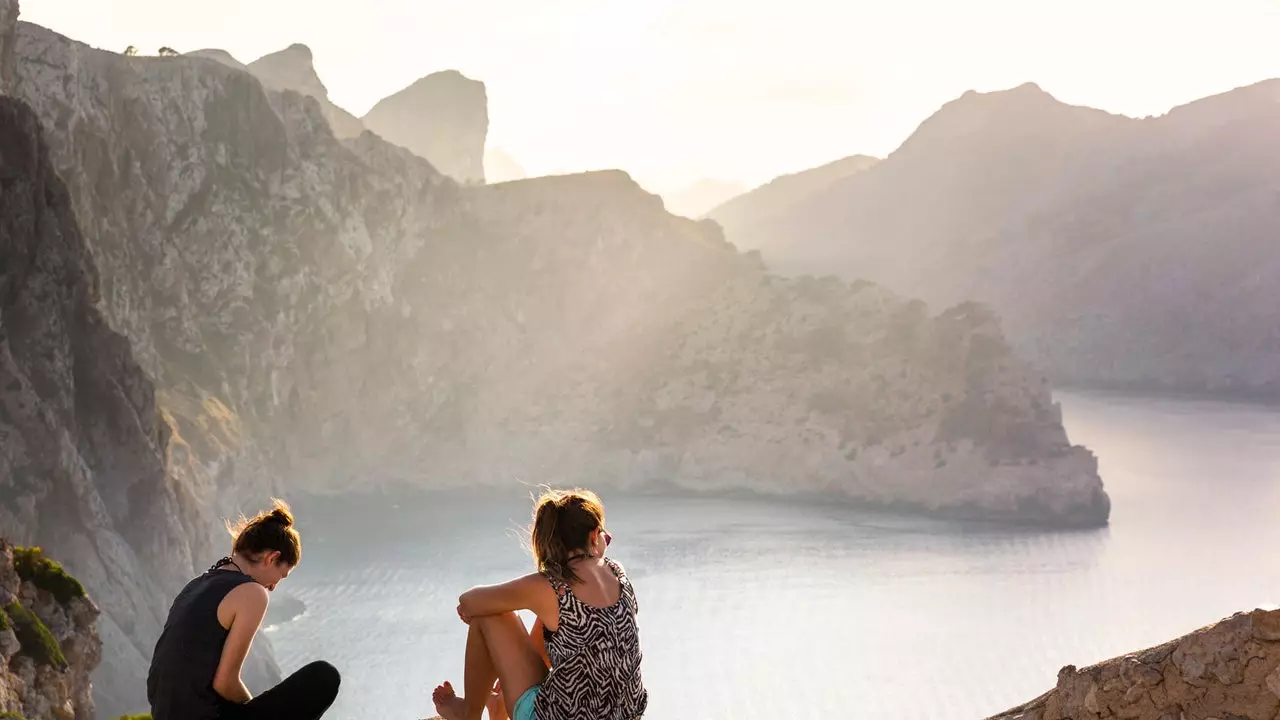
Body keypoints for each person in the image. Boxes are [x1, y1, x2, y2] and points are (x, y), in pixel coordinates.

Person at [432, 488, 647, 720]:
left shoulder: (551, 586)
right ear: (595, 536)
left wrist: (481, 612)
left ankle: (468, 713)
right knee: (554, 622)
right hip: (627, 716)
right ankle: (499, 707)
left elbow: (469, 601)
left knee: (491, 614)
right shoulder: (618, 573)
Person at [147, 499, 340, 720]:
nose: (274, 586)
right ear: (272, 558)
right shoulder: (252, 593)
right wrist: (251, 707)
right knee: (323, 677)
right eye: (281, 575)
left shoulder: (195, 585)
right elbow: (225, 682)